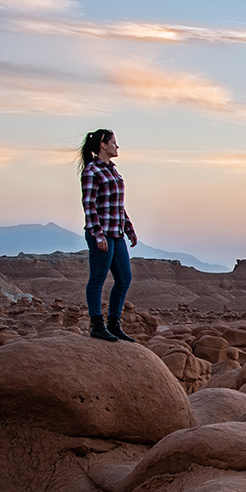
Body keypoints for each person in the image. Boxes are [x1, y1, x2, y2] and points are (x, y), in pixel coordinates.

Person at [78, 129, 138, 342]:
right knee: (97, 279)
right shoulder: (92, 171)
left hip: (117, 233)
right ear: (103, 144)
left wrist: (129, 229)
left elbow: (118, 205)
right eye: (114, 142)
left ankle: (114, 323)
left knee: (124, 279)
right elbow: (89, 205)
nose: (117, 146)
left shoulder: (113, 171)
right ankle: (96, 324)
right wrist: (97, 234)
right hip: (101, 233)